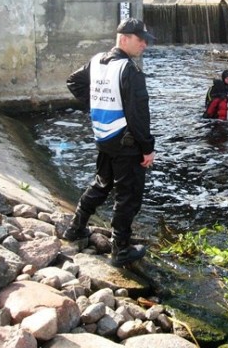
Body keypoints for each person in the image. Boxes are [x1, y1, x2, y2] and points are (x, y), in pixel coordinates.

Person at [63, 18, 156, 268]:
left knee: (102, 184)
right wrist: (147, 148)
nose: (145, 44)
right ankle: (120, 249)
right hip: (126, 144)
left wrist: (95, 104)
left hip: (104, 137)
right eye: (140, 39)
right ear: (124, 39)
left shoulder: (97, 62)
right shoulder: (130, 70)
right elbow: (138, 115)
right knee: (128, 196)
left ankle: (75, 228)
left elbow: (74, 82)